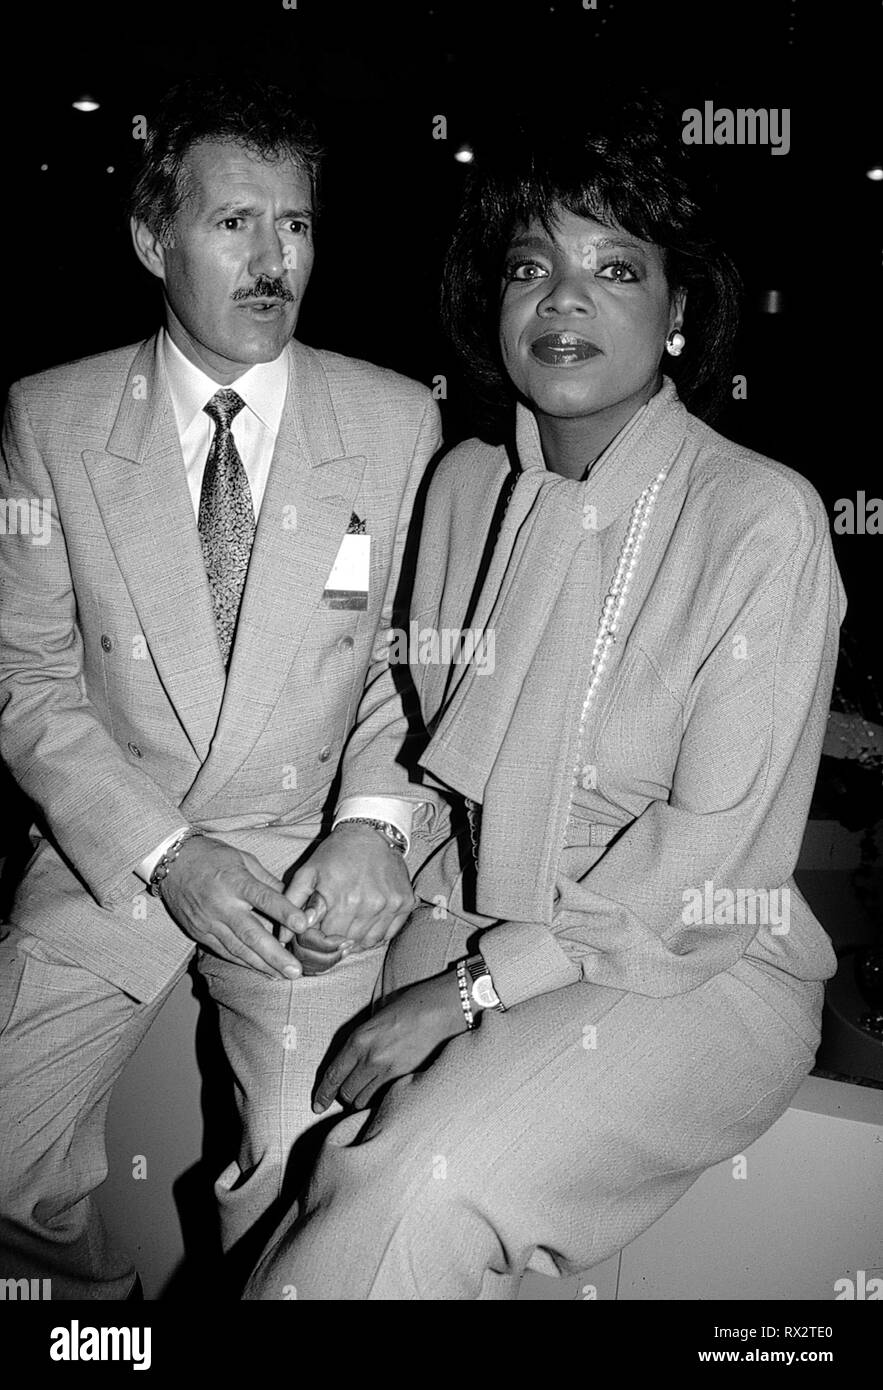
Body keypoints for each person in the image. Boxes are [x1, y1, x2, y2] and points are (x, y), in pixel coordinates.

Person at [244, 98, 846, 1300]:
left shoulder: (758, 514)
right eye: (532, 266)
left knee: (417, 1184)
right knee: (275, 1137)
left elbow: (705, 856)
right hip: (462, 913)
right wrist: (362, 848)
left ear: (678, 316)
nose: (562, 300)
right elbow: (413, 733)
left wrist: (462, 993)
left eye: (614, 269)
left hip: (688, 963)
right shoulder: (462, 486)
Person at [0, 76, 442, 1299]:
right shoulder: (53, 417)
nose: (271, 261)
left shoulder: (398, 420)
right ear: (153, 239)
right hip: (122, 847)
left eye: (293, 226)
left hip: (311, 864)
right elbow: (25, 676)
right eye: (233, 222)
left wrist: (370, 827)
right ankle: (100, 1326)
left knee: (313, 1181)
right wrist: (166, 853)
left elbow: (415, 660)